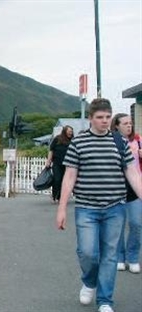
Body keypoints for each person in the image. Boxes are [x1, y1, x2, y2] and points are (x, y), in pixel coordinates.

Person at [55, 98, 142, 312]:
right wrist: (62, 208)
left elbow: (132, 173)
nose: (105, 121)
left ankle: (105, 300)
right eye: (100, 117)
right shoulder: (79, 142)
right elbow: (69, 176)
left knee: (110, 254)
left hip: (115, 207)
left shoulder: (119, 142)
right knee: (88, 253)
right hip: (86, 208)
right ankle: (89, 281)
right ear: (90, 118)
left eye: (107, 117)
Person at [110, 113, 142, 274]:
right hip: (117, 187)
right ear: (116, 125)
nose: (129, 126)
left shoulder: (138, 140)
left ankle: (133, 257)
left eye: (130, 123)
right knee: (118, 226)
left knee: (137, 224)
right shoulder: (110, 141)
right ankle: (120, 257)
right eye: (125, 123)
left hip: (135, 188)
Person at [45, 125, 73, 203]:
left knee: (64, 181)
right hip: (57, 163)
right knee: (57, 179)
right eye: (69, 131)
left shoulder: (72, 140)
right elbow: (51, 150)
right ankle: (54, 196)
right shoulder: (57, 139)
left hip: (67, 164)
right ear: (65, 131)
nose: (71, 133)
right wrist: (49, 160)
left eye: (71, 131)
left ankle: (60, 197)